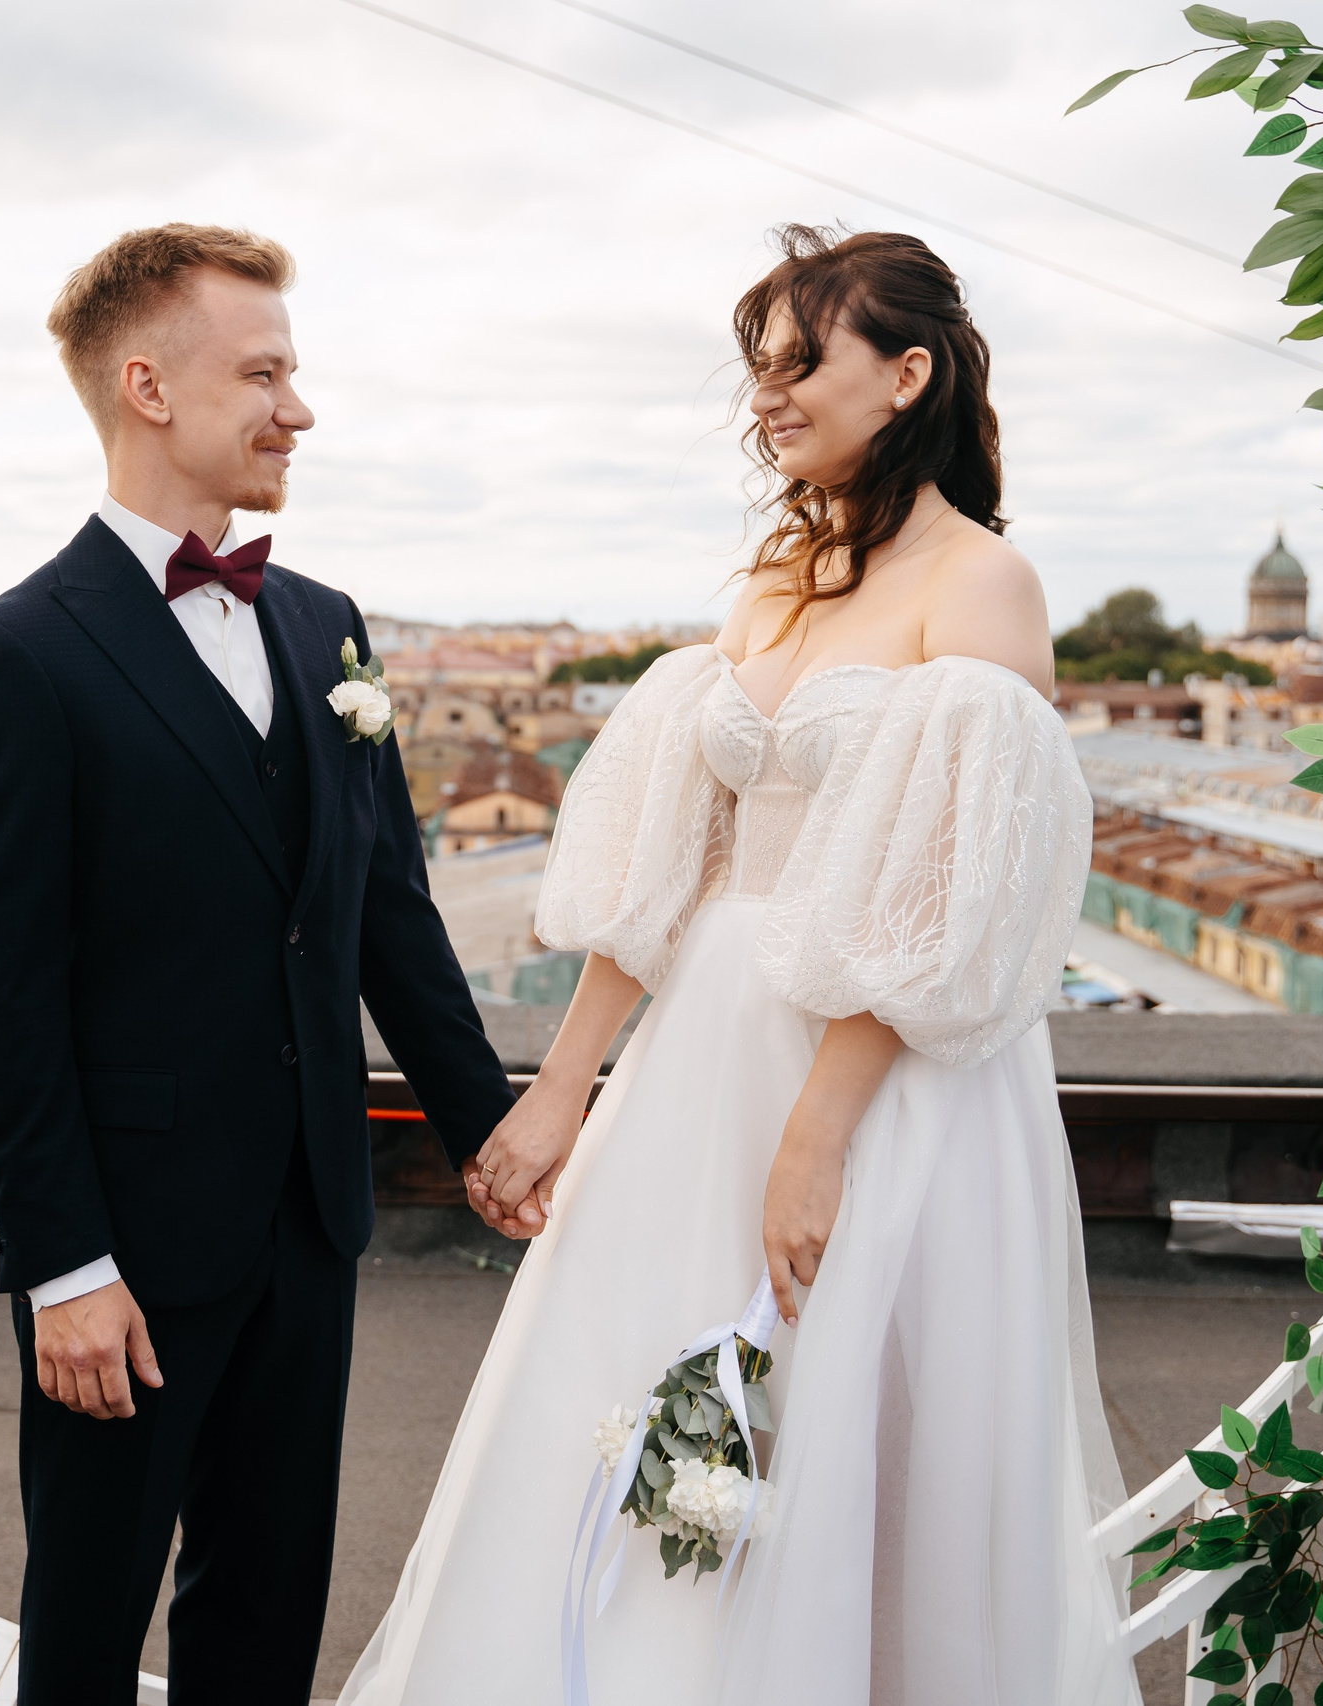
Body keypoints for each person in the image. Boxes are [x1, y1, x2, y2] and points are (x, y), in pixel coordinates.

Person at [340, 225, 1141, 1705]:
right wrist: (563, 1089)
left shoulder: (984, 587)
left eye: (800, 363)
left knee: (835, 1443)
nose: (766, 398)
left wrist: (817, 1139)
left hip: (873, 1088)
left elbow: (941, 905)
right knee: (622, 1397)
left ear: (907, 374)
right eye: (757, 369)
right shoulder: (778, 573)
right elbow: (677, 861)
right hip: (698, 1067)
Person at [0, 223, 519, 1706]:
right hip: (121, 1250)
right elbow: (8, 991)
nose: (297, 409)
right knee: (86, 1625)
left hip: (310, 1224)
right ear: (147, 385)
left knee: (266, 1621)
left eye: (294, 374)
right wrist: (64, 1265)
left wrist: (495, 1136)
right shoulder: (17, 656)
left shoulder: (324, 625)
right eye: (263, 373)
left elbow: (389, 911)